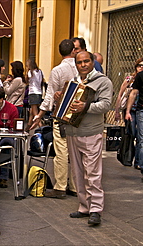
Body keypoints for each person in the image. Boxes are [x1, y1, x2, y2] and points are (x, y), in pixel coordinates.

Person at [65, 51, 113, 225]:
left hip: (91, 132)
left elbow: (106, 105)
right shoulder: (74, 82)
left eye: (86, 61)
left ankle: (95, 209)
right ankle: (84, 207)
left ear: (92, 62)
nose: (83, 65)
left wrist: (85, 107)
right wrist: (59, 99)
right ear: (76, 64)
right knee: (77, 173)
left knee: (93, 173)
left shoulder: (103, 81)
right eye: (79, 62)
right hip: (72, 131)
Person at [31, 39, 78, 198]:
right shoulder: (80, 68)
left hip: (62, 114)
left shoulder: (57, 70)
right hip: (78, 114)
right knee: (75, 151)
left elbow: (50, 96)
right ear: (73, 51)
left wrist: (39, 115)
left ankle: (60, 187)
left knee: (62, 151)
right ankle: (74, 186)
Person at [115, 58, 143, 169]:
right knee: (132, 134)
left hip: (139, 110)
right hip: (131, 110)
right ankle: (128, 156)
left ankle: (138, 161)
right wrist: (117, 110)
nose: (141, 67)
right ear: (135, 67)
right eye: (139, 65)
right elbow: (120, 94)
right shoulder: (129, 79)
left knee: (140, 137)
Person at [126, 70, 143, 180]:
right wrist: (127, 111)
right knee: (142, 140)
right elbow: (133, 92)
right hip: (141, 110)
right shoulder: (141, 76)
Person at [25, 59, 43, 131]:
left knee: (35, 113)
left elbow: (26, 81)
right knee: (32, 111)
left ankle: (41, 127)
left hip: (32, 92)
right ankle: (28, 126)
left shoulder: (30, 72)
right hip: (39, 92)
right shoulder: (40, 71)